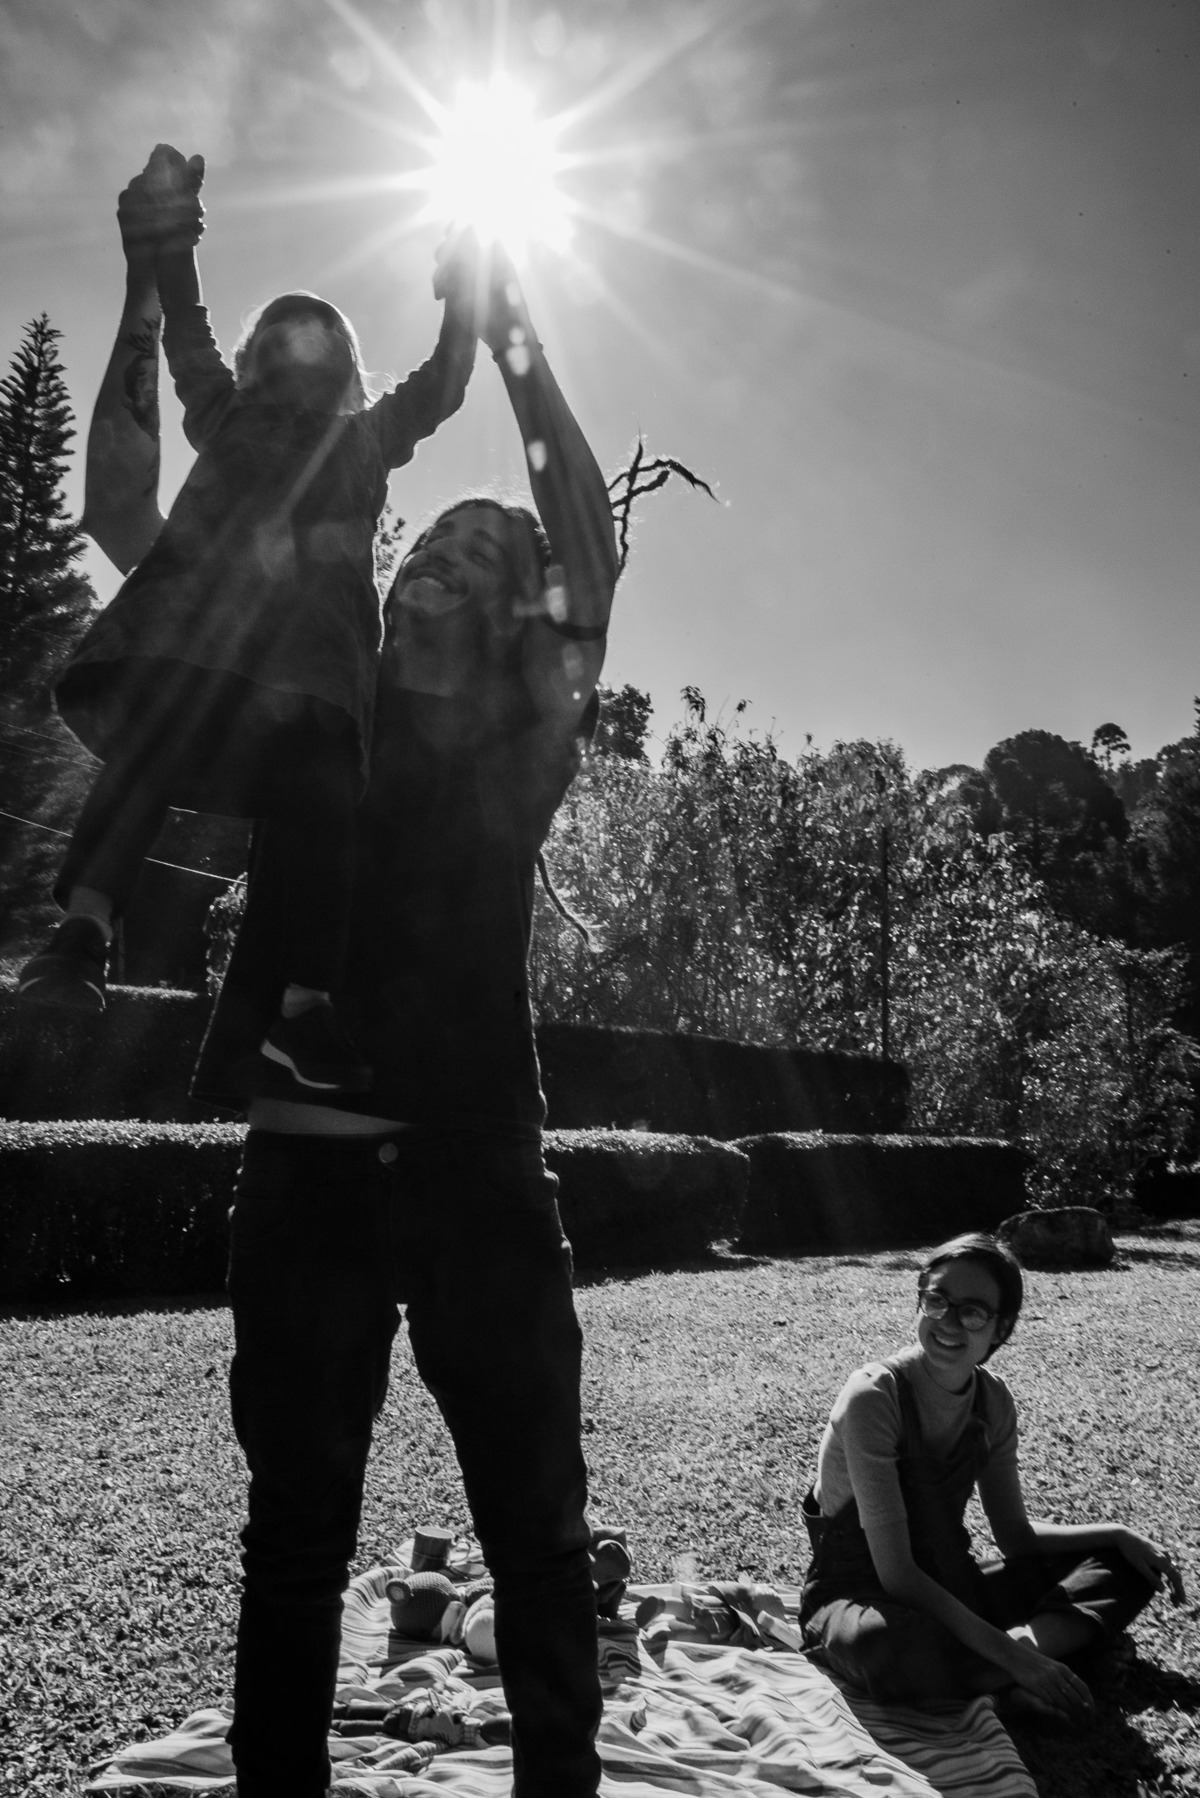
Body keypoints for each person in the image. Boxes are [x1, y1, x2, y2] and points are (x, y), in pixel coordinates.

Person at [82, 228, 621, 1794]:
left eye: (478, 548)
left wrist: (512, 340)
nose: (441, 555)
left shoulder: (528, 737)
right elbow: (138, 517)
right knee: (297, 1533)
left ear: (514, 601)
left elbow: (586, 540)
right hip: (308, 1162)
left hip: (475, 1168)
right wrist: (147, 266)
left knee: (533, 1521)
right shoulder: (316, 700)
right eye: (427, 541)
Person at [18, 142, 479, 1094]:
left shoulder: (368, 438)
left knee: (322, 822)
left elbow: (444, 380)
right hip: (201, 644)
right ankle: (81, 934)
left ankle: (303, 1010)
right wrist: (175, 232)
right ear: (257, 361)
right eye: (280, 342)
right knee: (147, 751)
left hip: (307, 679)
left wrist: (464, 290)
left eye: (318, 349)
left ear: (346, 372)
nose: (296, 359)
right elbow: (185, 325)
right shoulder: (222, 410)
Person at [799, 1231, 1185, 1726]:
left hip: (953, 1587)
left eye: (973, 1311)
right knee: (884, 1646)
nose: (949, 1322)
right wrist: (1013, 1654)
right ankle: (1026, 1674)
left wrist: (1117, 1534)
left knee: (1125, 1566)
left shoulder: (993, 1402)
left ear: (999, 1328)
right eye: (937, 1300)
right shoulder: (875, 1395)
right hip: (858, 1595)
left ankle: (1008, 1667)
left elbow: (1015, 1537)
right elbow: (896, 1574)